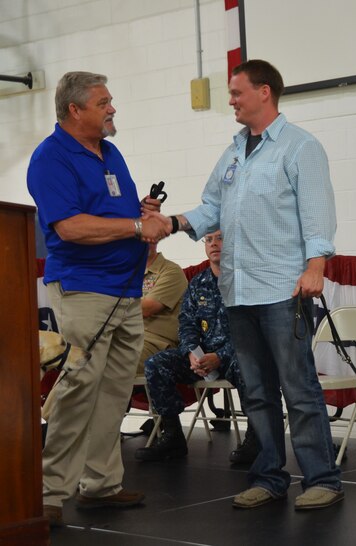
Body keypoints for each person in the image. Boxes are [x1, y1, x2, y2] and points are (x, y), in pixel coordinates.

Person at [146, 59, 342, 511]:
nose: (231, 101)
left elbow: (318, 214)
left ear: (265, 93)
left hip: (282, 289)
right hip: (239, 291)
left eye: (237, 93)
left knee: (299, 388)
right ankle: (269, 476)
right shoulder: (235, 150)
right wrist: (171, 222)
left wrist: (317, 266)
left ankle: (323, 479)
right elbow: (212, 205)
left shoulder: (299, 147)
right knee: (255, 391)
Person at [27, 71, 169, 527]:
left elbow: (118, 215)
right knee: (78, 390)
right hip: (85, 290)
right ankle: (49, 493)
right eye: (104, 102)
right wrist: (133, 227)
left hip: (126, 290)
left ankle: (101, 484)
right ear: (75, 110)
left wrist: (140, 212)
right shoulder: (51, 158)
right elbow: (68, 227)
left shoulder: (111, 153)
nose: (113, 109)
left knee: (112, 392)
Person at [134, 230, 260, 464]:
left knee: (249, 366)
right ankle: (172, 435)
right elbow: (186, 323)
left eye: (221, 238)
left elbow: (254, 331)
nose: (214, 244)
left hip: (237, 355)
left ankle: (256, 438)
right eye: (209, 240)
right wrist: (192, 351)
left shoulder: (249, 281)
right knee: (157, 364)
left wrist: (220, 356)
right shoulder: (198, 282)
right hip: (202, 358)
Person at [138, 242, 187, 374]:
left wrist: (109, 303)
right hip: (126, 337)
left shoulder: (171, 271)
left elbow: (147, 309)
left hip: (156, 343)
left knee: (112, 360)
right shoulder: (125, 272)